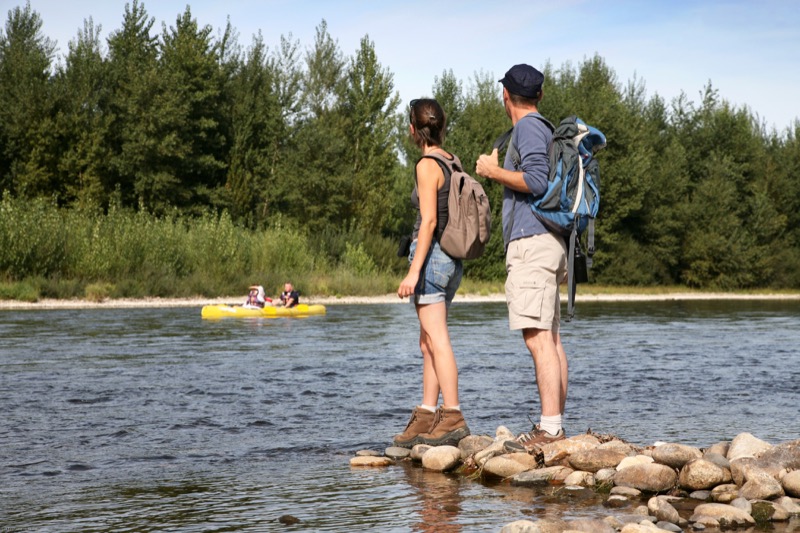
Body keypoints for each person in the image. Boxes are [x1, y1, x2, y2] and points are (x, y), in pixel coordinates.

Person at [475, 64, 568, 452]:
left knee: (538, 338)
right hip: (550, 241)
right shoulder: (543, 127)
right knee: (551, 337)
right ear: (540, 95)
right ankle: (556, 425)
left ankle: (549, 430)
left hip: (532, 241)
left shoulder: (529, 128)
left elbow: (537, 181)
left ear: (505, 96)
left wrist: (494, 172)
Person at [394, 98, 469, 448]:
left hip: (433, 258)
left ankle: (452, 415)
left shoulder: (427, 164)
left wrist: (413, 272)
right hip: (451, 260)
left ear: (414, 129)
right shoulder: (452, 160)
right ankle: (427, 413)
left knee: (437, 340)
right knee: (427, 342)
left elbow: (429, 221)